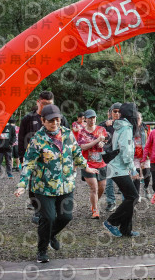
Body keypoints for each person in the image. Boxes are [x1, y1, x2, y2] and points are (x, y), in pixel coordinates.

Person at [14, 104, 98, 263]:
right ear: (43, 121)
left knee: (66, 217)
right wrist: (22, 184)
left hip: (65, 184)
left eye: (57, 120)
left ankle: (50, 235)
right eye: (51, 121)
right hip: (44, 187)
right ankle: (42, 250)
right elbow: (29, 163)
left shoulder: (67, 134)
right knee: (49, 217)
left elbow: (76, 152)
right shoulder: (37, 139)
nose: (55, 123)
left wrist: (86, 166)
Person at [18, 91, 68, 223]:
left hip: (55, 159)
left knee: (56, 184)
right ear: (38, 102)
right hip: (34, 159)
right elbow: (21, 138)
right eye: (44, 104)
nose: (47, 107)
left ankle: (54, 210)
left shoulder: (60, 119)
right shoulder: (28, 118)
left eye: (50, 104)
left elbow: (68, 139)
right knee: (34, 185)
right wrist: (22, 158)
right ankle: (38, 211)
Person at [104, 103, 140, 237]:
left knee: (129, 198)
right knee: (133, 197)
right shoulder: (126, 128)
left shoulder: (121, 126)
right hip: (118, 168)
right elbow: (126, 150)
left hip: (118, 167)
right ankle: (111, 222)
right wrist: (133, 169)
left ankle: (126, 229)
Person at [76, 109, 109, 219]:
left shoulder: (101, 129)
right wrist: (96, 141)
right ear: (85, 119)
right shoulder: (82, 132)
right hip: (87, 163)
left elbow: (106, 140)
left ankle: (94, 203)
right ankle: (95, 210)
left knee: (102, 187)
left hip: (100, 162)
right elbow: (83, 147)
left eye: (93, 118)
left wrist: (102, 142)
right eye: (89, 118)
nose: (92, 120)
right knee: (94, 187)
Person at [99, 103, 121, 213]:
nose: (116, 114)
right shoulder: (105, 125)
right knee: (109, 181)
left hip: (121, 156)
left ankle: (125, 204)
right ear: (110, 113)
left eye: (118, 111)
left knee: (123, 181)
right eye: (114, 111)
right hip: (108, 156)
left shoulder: (125, 124)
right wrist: (106, 124)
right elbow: (96, 130)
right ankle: (111, 202)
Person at [132, 112, 150, 201]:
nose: (137, 120)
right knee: (137, 175)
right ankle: (137, 194)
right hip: (135, 155)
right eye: (135, 119)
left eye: (138, 118)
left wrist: (147, 155)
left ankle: (146, 187)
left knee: (147, 174)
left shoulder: (146, 128)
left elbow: (150, 141)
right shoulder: (131, 129)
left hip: (145, 154)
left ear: (141, 119)